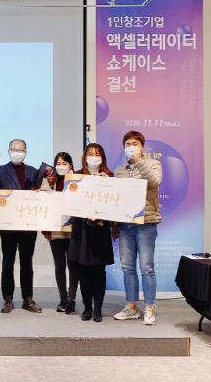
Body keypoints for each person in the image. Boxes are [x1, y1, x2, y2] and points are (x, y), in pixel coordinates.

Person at [0, 139, 42, 314]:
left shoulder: (33, 172)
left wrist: (40, 192)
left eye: (21, 150)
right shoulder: (1, 170)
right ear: (9, 151)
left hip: (28, 225)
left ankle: (28, 299)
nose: (17, 152)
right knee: (7, 262)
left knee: (27, 263)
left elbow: (42, 194)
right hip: (8, 225)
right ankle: (8, 299)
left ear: (26, 152)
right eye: (14, 149)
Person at [113, 131, 162, 326]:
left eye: (135, 143)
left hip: (146, 223)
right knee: (127, 267)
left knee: (146, 267)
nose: (131, 147)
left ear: (142, 146)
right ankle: (131, 306)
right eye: (128, 144)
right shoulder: (120, 171)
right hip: (126, 225)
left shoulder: (153, 164)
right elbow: (116, 199)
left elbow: (155, 182)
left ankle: (150, 307)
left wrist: (139, 161)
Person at [68, 143, 114, 323]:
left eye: (97, 154)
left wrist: (108, 184)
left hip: (100, 231)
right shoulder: (76, 176)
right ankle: (87, 307)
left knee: (99, 271)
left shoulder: (109, 177)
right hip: (82, 230)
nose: (94, 157)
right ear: (85, 157)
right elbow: (70, 202)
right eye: (90, 154)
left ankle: (98, 309)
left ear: (102, 157)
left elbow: (115, 204)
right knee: (83, 272)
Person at [40, 152, 80, 314]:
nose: (61, 166)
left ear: (70, 165)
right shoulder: (49, 182)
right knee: (59, 264)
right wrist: (45, 229)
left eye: (64, 163)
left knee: (73, 264)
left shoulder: (77, 180)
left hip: (73, 228)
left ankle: (72, 299)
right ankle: (63, 299)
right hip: (55, 228)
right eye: (58, 163)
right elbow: (43, 205)